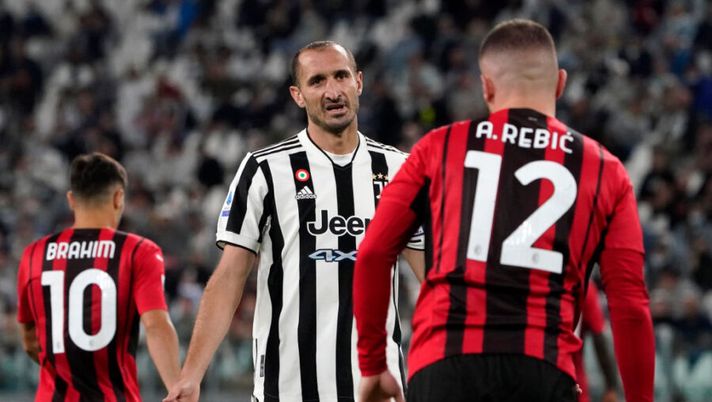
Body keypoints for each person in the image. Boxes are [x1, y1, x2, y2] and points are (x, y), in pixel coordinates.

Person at [353, 19, 655, 402]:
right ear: (560, 84)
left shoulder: (438, 147)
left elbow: (374, 253)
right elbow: (630, 305)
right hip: (544, 370)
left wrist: (373, 364)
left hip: (445, 365)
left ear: (486, 86)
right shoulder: (605, 169)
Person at [164, 41, 424, 402]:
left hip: (377, 389)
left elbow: (435, 278)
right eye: (317, 81)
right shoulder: (265, 169)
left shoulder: (400, 170)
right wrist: (191, 375)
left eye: (341, 76)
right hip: (286, 390)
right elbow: (228, 278)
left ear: (359, 82)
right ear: (297, 95)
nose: (333, 91)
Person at [16, 152, 180, 401]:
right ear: (118, 198)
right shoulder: (138, 251)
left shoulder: (33, 255)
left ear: (71, 200)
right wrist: (176, 388)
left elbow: (30, 341)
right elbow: (156, 325)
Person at [574, 281, 619, 402]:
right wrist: (611, 386)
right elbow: (599, 337)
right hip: (570, 373)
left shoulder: (525, 275)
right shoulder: (583, 284)